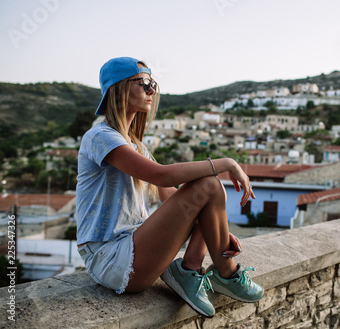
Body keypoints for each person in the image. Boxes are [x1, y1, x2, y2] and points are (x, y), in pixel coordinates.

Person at [76, 57, 264, 318]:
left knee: (207, 192)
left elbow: (173, 197)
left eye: (152, 83)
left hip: (134, 247)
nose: (151, 90)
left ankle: (192, 272)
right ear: (118, 88)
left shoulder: (137, 147)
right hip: (110, 257)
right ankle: (223, 273)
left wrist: (217, 230)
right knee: (209, 183)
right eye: (143, 83)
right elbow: (162, 176)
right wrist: (227, 163)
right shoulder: (100, 137)